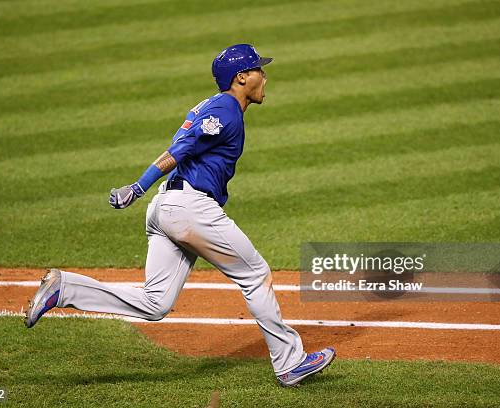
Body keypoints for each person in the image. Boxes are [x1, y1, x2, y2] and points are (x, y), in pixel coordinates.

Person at [25, 44, 335, 387]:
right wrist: (138, 185)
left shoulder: (211, 106)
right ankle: (289, 362)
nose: (265, 75)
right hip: (189, 209)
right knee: (256, 275)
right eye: (259, 70)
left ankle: (64, 288)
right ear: (241, 78)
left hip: (166, 209)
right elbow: (182, 148)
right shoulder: (227, 108)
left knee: (155, 303)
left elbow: (185, 141)